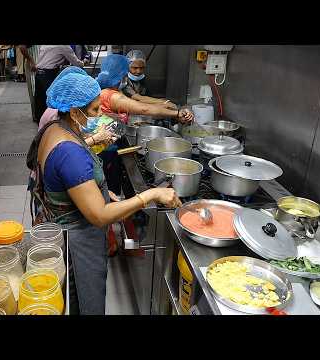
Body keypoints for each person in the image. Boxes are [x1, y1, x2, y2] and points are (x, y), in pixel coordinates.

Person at [26, 72, 182, 314]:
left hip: (60, 221)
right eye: (96, 109)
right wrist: (149, 196)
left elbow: (67, 175)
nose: (100, 115)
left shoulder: (54, 127)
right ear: (75, 111)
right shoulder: (70, 154)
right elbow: (98, 215)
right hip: (78, 242)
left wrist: (98, 190)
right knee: (86, 302)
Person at [95, 54, 194, 195]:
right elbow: (144, 108)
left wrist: (165, 104)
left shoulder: (107, 90)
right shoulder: (113, 96)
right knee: (110, 188)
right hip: (105, 150)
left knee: (110, 184)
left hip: (106, 145)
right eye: (128, 71)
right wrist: (176, 113)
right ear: (122, 75)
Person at [33, 45, 84, 123]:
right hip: (48, 74)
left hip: (39, 73)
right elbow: (76, 63)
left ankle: (39, 120)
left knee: (39, 98)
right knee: (50, 99)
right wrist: (83, 63)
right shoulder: (63, 46)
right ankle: (48, 123)